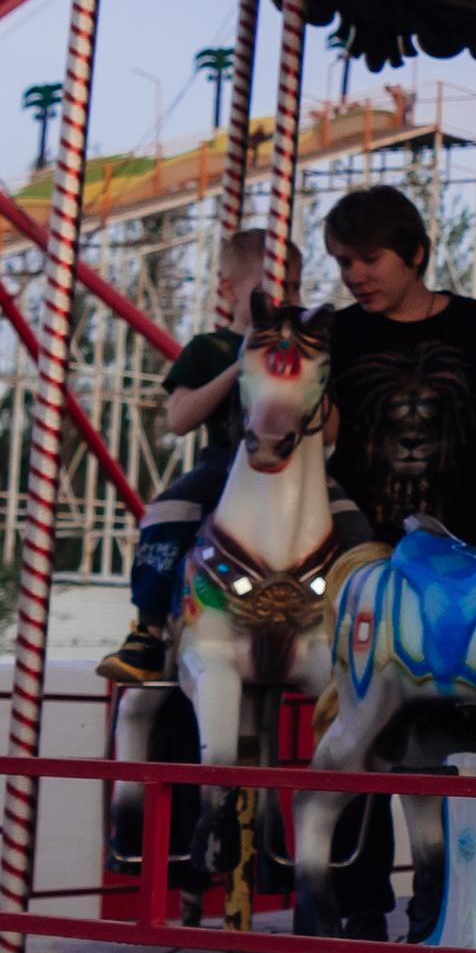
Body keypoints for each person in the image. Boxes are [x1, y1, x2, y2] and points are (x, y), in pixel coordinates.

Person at [101, 226, 272, 687]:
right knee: (167, 512)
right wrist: (241, 364)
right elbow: (178, 419)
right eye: (266, 289)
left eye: (292, 288)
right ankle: (150, 629)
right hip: (226, 463)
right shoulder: (209, 349)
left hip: (286, 470)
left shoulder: (300, 352)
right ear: (228, 290)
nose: (281, 298)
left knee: (345, 518)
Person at [321, 185, 476, 556]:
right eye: (344, 262)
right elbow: (326, 432)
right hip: (352, 553)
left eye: (370, 260)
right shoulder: (336, 333)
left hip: (455, 552)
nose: (355, 276)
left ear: (415, 253)